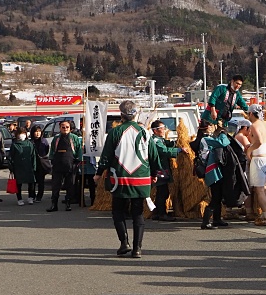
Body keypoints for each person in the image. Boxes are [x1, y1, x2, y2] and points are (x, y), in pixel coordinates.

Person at [97, 100, 161, 258]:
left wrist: (99, 172)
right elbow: (153, 156)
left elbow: (106, 156)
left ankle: (124, 242)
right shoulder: (145, 132)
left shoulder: (115, 132)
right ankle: (137, 248)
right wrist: (155, 174)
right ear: (136, 114)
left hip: (120, 178)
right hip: (141, 178)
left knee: (118, 210)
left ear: (121, 115)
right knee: (138, 213)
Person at [245, 103, 266, 226]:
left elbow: (259, 141)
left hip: (259, 158)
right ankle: (265, 214)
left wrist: (249, 150)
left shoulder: (254, 125)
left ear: (251, 114)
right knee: (265, 189)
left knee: (259, 189)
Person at [198, 119, 231, 229]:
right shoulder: (205, 139)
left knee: (219, 195)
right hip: (211, 171)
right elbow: (223, 143)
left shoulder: (208, 138)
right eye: (211, 125)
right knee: (216, 196)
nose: (213, 127)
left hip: (215, 170)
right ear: (207, 127)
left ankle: (217, 219)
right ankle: (206, 221)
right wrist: (222, 132)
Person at [149, 120, 184, 221]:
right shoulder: (155, 141)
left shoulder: (160, 140)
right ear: (155, 131)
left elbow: (168, 144)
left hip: (162, 168)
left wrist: (179, 142)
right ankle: (162, 214)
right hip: (159, 169)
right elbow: (164, 151)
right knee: (163, 192)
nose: (164, 130)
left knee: (161, 191)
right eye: (162, 128)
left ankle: (156, 213)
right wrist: (179, 150)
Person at [47, 120, 82, 212]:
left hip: (70, 164)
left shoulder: (74, 138)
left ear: (70, 128)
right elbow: (52, 151)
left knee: (70, 185)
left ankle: (68, 203)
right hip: (58, 165)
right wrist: (52, 160)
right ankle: (54, 204)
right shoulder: (56, 138)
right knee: (55, 186)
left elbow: (79, 151)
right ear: (60, 128)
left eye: (67, 127)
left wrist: (78, 161)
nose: (65, 129)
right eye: (63, 127)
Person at [10, 127, 38, 205]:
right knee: (19, 183)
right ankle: (19, 199)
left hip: (29, 166)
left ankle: (30, 197)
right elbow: (10, 157)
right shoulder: (14, 145)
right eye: (20, 133)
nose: (22, 135)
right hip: (18, 167)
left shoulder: (30, 144)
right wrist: (11, 167)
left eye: (23, 133)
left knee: (31, 182)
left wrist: (34, 166)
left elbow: (33, 156)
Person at [30, 125, 51, 203]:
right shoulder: (30, 142)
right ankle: (32, 195)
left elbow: (46, 150)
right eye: (36, 131)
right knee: (32, 182)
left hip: (41, 164)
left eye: (39, 131)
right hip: (32, 164)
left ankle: (39, 196)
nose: (37, 133)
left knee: (41, 181)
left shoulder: (44, 141)